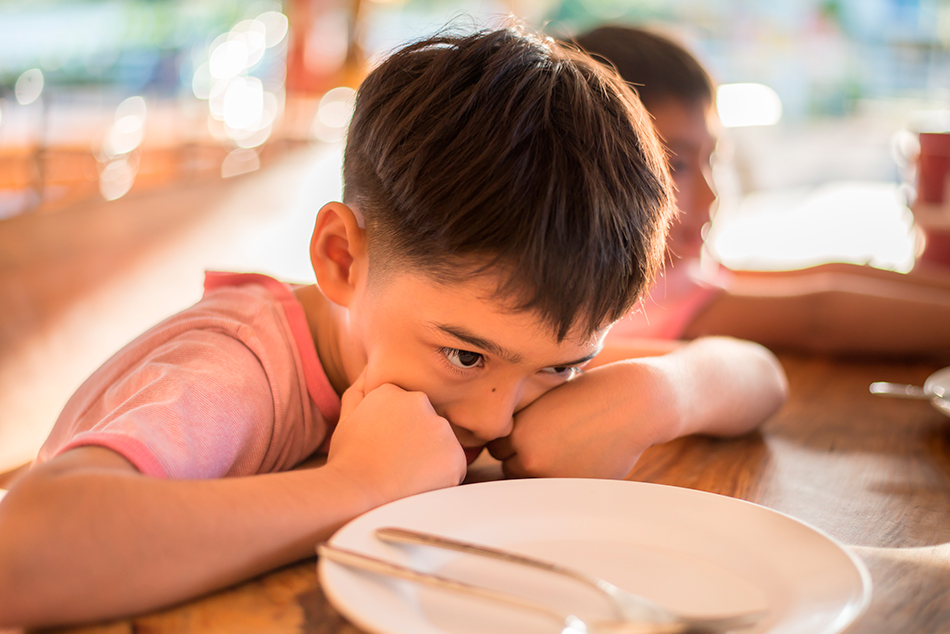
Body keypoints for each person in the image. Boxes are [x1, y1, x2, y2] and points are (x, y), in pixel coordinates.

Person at [0, 24, 787, 628]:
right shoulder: (237, 370)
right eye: (465, 356)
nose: (496, 420)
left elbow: (758, 373)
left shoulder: (496, 347)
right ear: (342, 259)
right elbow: (24, 555)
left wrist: (657, 395)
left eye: (562, 366)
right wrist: (355, 487)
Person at [573, 25, 950, 359]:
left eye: (713, 159)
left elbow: (825, 273)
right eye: (677, 166)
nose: (711, 195)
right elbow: (818, 316)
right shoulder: (628, 307)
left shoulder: (671, 273)